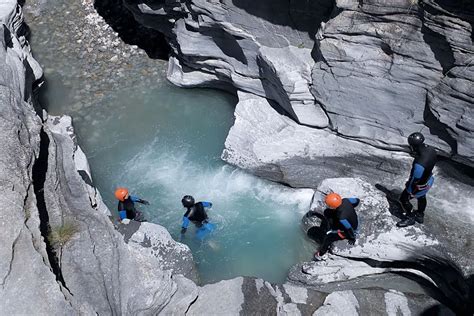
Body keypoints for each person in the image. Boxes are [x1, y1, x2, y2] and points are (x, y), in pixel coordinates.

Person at [396, 132, 437, 227]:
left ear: (412, 145)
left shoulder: (419, 164)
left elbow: (415, 178)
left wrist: (409, 188)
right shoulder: (431, 150)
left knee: (403, 199)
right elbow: (429, 161)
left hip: (419, 186)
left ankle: (410, 218)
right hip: (429, 180)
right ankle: (420, 215)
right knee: (422, 197)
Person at [313, 192, 360, 261]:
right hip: (351, 219)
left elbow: (349, 228)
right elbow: (357, 200)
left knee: (328, 238)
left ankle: (321, 254)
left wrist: (352, 237)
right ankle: (332, 227)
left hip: (348, 231)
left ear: (332, 205)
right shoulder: (345, 200)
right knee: (327, 212)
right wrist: (350, 208)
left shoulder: (342, 218)